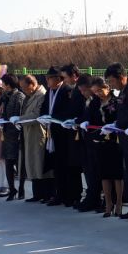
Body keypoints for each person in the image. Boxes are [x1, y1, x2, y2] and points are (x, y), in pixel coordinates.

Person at [106, 63, 128, 217]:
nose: (110, 84)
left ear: (121, 77)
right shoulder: (122, 92)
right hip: (124, 138)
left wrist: (118, 124)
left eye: (112, 81)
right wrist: (115, 123)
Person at [41, 66, 79, 207]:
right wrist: (44, 117)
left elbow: (68, 111)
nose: (47, 81)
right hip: (52, 133)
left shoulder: (66, 90)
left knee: (67, 165)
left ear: (58, 79)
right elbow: (44, 108)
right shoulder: (49, 92)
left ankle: (71, 195)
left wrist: (54, 117)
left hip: (65, 134)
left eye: (49, 78)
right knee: (56, 165)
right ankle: (59, 194)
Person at [93, 76, 125, 217]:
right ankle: (108, 204)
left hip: (114, 140)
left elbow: (120, 118)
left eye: (100, 90)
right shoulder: (95, 102)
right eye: (95, 91)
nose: (98, 94)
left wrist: (113, 126)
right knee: (104, 174)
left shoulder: (116, 101)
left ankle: (119, 203)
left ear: (107, 87)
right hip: (101, 140)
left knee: (117, 174)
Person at [19, 74, 51, 203]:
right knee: (32, 163)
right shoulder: (30, 95)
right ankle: (37, 193)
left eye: (24, 87)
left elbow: (37, 114)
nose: (23, 90)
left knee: (39, 163)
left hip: (38, 133)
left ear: (32, 84)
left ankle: (46, 194)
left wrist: (20, 119)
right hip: (29, 133)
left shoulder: (41, 95)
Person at [75, 75, 104, 213]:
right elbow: (85, 116)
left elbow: (98, 119)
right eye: (80, 91)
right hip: (87, 140)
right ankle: (91, 196)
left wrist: (87, 122)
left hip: (96, 141)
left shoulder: (98, 101)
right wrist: (76, 121)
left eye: (84, 90)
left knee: (95, 172)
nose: (82, 93)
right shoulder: (88, 101)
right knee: (88, 171)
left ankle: (96, 199)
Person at [61, 64, 87, 208]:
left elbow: (79, 110)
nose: (64, 80)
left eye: (65, 77)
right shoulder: (73, 89)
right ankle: (75, 194)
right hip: (73, 130)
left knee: (80, 165)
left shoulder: (81, 89)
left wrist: (74, 119)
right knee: (74, 165)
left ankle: (78, 195)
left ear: (74, 76)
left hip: (80, 133)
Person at [0, 74, 24, 201]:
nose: (2, 86)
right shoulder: (5, 96)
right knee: (8, 162)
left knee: (19, 163)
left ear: (8, 84)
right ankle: (12, 189)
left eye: (3, 83)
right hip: (7, 134)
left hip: (17, 134)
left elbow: (18, 114)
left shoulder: (19, 96)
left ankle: (21, 188)